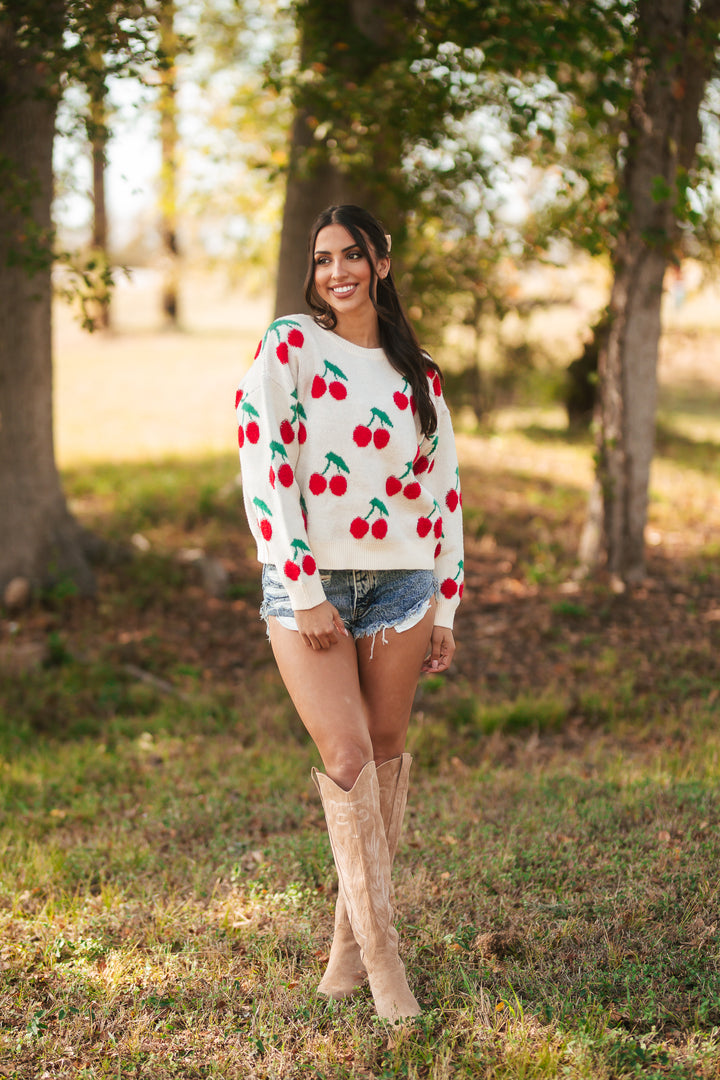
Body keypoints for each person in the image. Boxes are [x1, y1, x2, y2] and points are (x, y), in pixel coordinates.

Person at [235, 204, 464, 1022]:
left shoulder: (418, 374)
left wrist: (445, 602)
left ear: (382, 263)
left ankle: (344, 953)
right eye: (326, 256)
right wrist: (302, 589)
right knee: (346, 754)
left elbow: (443, 492)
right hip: (312, 585)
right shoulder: (290, 345)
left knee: (386, 757)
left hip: (404, 584)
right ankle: (387, 967)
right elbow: (266, 466)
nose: (338, 270)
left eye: (354, 255)